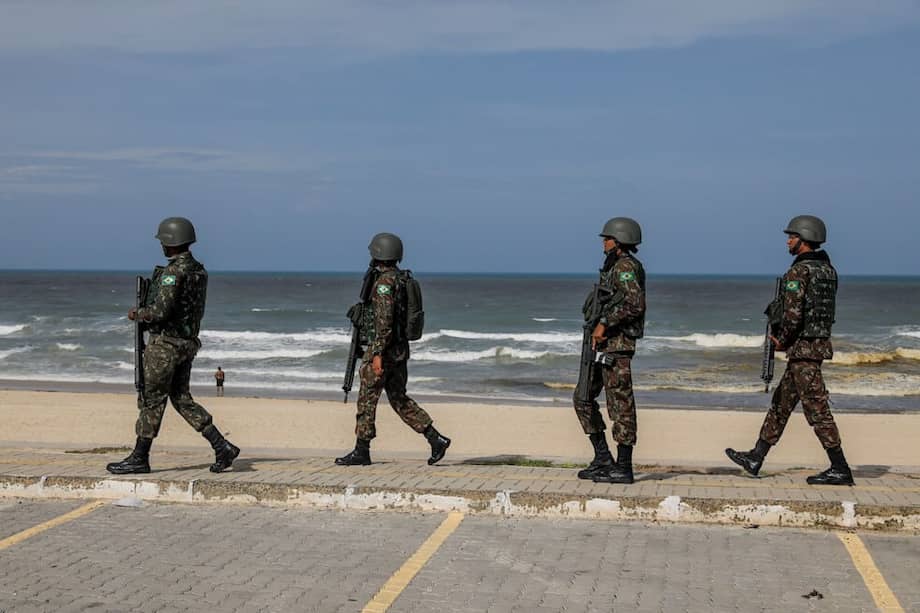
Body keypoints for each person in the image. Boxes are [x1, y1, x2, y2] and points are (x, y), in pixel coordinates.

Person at [726, 215, 853, 486]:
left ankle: (840, 467)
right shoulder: (828, 271)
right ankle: (756, 456)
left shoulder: (799, 271)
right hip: (814, 344)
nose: (788, 241)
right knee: (781, 404)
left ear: (804, 239)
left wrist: (780, 339)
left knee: (817, 408)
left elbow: (793, 314)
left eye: (792, 236)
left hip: (803, 349)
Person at [107, 217, 240, 475]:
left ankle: (140, 457)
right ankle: (221, 445)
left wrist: (139, 313)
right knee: (181, 398)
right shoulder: (198, 271)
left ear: (170, 242)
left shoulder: (173, 272)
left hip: (166, 345)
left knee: (152, 399)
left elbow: (161, 311)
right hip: (186, 343)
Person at [335, 232, 451, 466]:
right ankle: (435, 438)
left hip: (385, 351)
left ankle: (362, 451)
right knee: (399, 398)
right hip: (399, 350)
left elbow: (384, 322)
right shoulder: (401, 279)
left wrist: (376, 354)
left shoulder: (384, 284)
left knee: (367, 398)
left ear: (379, 252)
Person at [573, 217, 646, 484]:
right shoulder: (613, 266)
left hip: (617, 347)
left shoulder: (625, 266)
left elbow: (635, 304)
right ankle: (603, 457)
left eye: (607, 239)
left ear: (619, 241)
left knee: (620, 406)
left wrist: (604, 323)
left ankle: (623, 467)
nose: (604, 243)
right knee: (582, 398)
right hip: (602, 346)